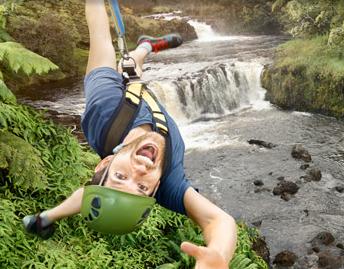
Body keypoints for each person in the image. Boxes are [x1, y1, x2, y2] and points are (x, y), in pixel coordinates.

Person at [21, 0, 237, 268]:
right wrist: (219, 254)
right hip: (144, 101)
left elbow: (98, 31)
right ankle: (146, 45)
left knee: (118, 63)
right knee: (133, 69)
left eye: (122, 176)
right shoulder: (168, 184)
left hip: (119, 106)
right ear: (156, 191)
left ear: (106, 161)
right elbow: (218, 221)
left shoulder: (103, 109)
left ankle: (143, 48)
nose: (142, 170)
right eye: (142, 188)